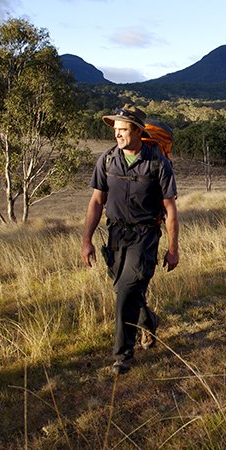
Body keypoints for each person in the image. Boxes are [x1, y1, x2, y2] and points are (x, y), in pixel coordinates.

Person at [81, 103, 179, 376]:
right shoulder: (108, 160)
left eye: (123, 129)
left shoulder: (157, 162)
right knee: (124, 290)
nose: (118, 135)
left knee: (126, 290)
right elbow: (96, 201)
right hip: (116, 235)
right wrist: (86, 240)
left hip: (145, 235)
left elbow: (170, 208)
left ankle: (122, 355)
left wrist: (173, 248)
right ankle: (148, 321)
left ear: (137, 131)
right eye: (116, 130)